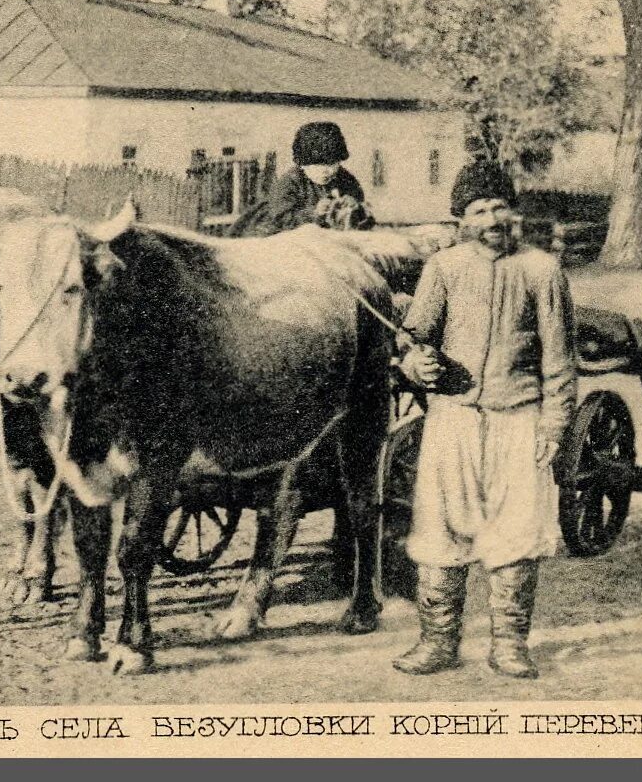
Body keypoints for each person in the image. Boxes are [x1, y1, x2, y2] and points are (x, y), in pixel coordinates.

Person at [392, 158, 577, 679]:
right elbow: (414, 337)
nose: (492, 218)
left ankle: (510, 645)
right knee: (438, 532)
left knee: (516, 532)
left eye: (499, 206)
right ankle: (437, 643)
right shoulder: (444, 268)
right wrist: (415, 362)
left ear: (513, 211)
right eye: (479, 210)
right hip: (453, 418)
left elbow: (560, 361)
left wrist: (555, 425)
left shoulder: (542, 270)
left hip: (518, 418)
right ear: (462, 220)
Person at [230, 121, 373, 238]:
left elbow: (366, 222)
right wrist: (314, 213)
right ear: (302, 164)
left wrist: (356, 209)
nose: (324, 170)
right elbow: (280, 219)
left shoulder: (347, 180)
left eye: (331, 164)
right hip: (278, 232)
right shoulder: (290, 181)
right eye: (315, 165)